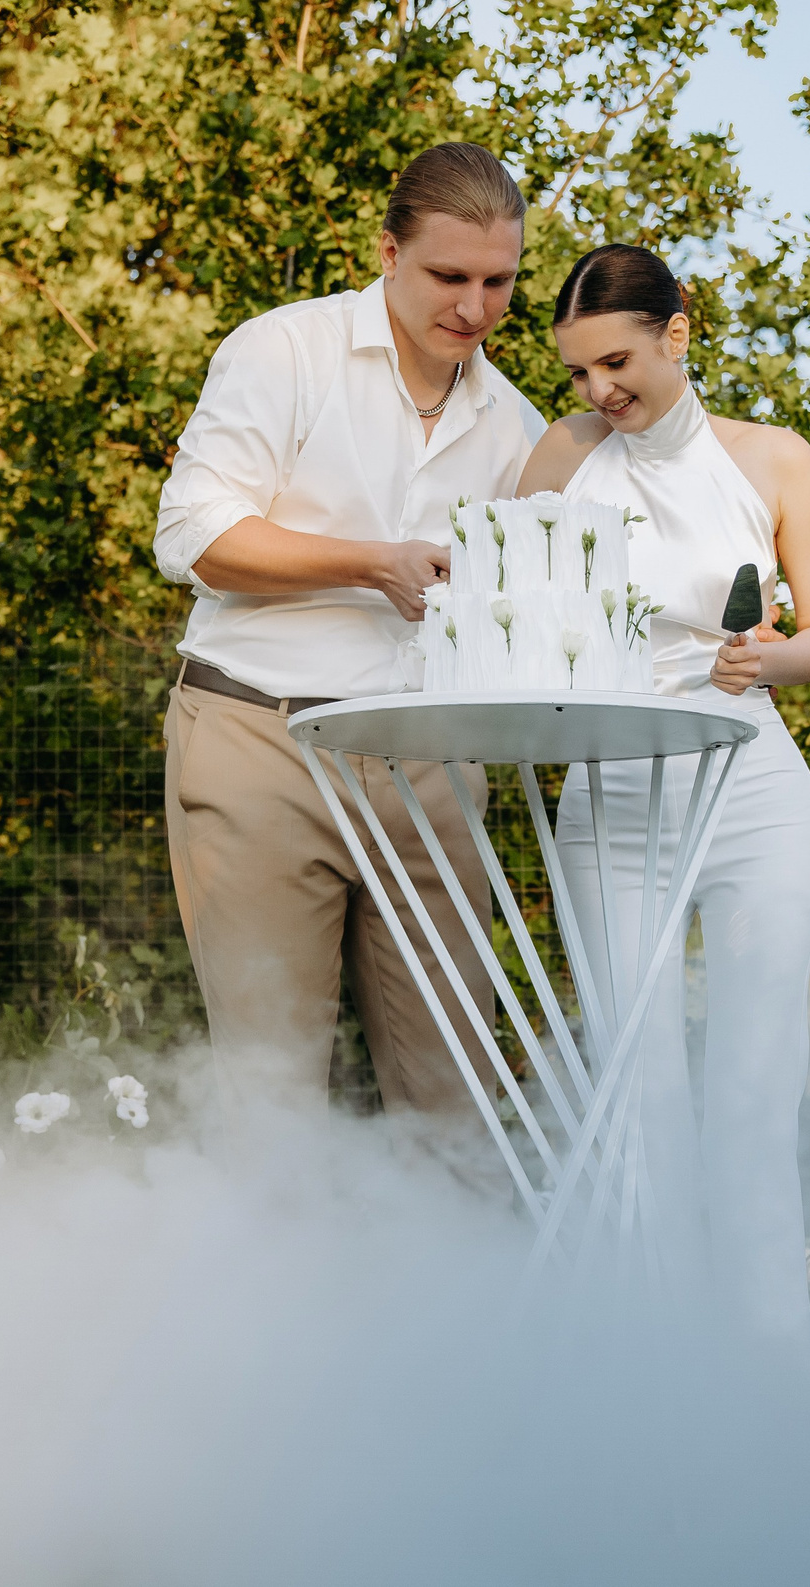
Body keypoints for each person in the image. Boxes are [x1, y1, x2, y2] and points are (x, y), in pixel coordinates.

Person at [153, 143, 544, 1122]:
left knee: (456, 1101)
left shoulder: (518, 429)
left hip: (432, 766)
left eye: (497, 281)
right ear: (386, 252)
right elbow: (192, 536)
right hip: (258, 741)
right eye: (449, 276)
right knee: (272, 1099)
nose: (474, 306)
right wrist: (372, 561)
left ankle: (452, 1277)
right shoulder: (280, 351)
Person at [517, 244, 810, 1345]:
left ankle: (774, 1403)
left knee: (751, 1110)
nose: (597, 392)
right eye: (575, 373)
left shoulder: (772, 459)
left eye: (615, 362)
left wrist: (766, 662)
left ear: (677, 330)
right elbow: (520, 625)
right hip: (608, 807)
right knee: (634, 1109)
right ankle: (657, 1400)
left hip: (752, 792)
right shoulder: (556, 460)